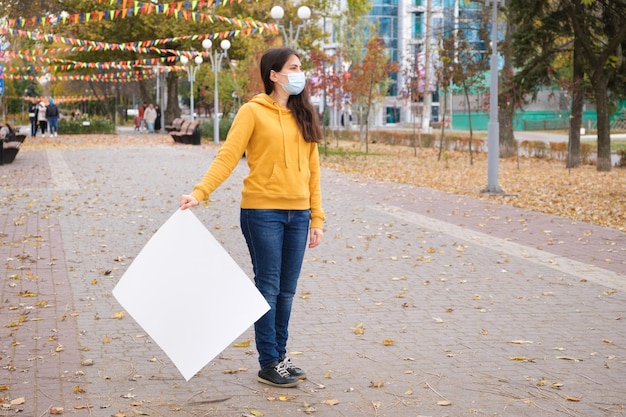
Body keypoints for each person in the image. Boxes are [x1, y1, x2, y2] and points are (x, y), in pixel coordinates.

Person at [180, 47, 325, 388]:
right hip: (262, 212)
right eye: (293, 67)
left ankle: (282, 356)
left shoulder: (304, 114)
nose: (299, 73)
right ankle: (268, 362)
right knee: (269, 288)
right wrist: (200, 192)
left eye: (300, 68)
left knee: (286, 291)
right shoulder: (252, 112)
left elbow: (314, 171)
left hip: (299, 213)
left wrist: (317, 217)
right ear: (273, 74)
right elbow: (228, 156)